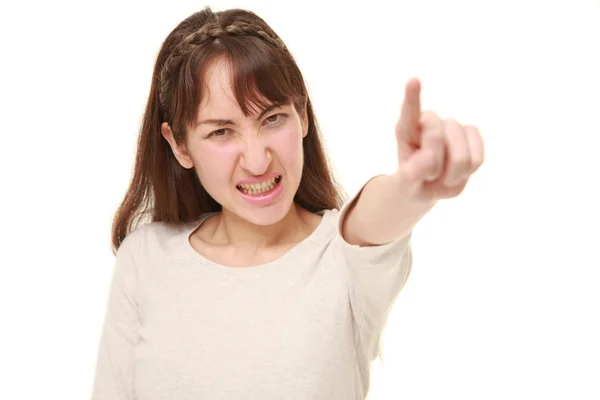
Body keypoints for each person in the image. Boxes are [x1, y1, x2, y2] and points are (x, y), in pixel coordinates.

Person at [91, 6, 484, 400]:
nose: (258, 161)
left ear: (303, 116)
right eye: (222, 131)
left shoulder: (342, 257)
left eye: (272, 118)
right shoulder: (145, 258)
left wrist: (411, 187)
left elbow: (371, 221)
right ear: (179, 145)